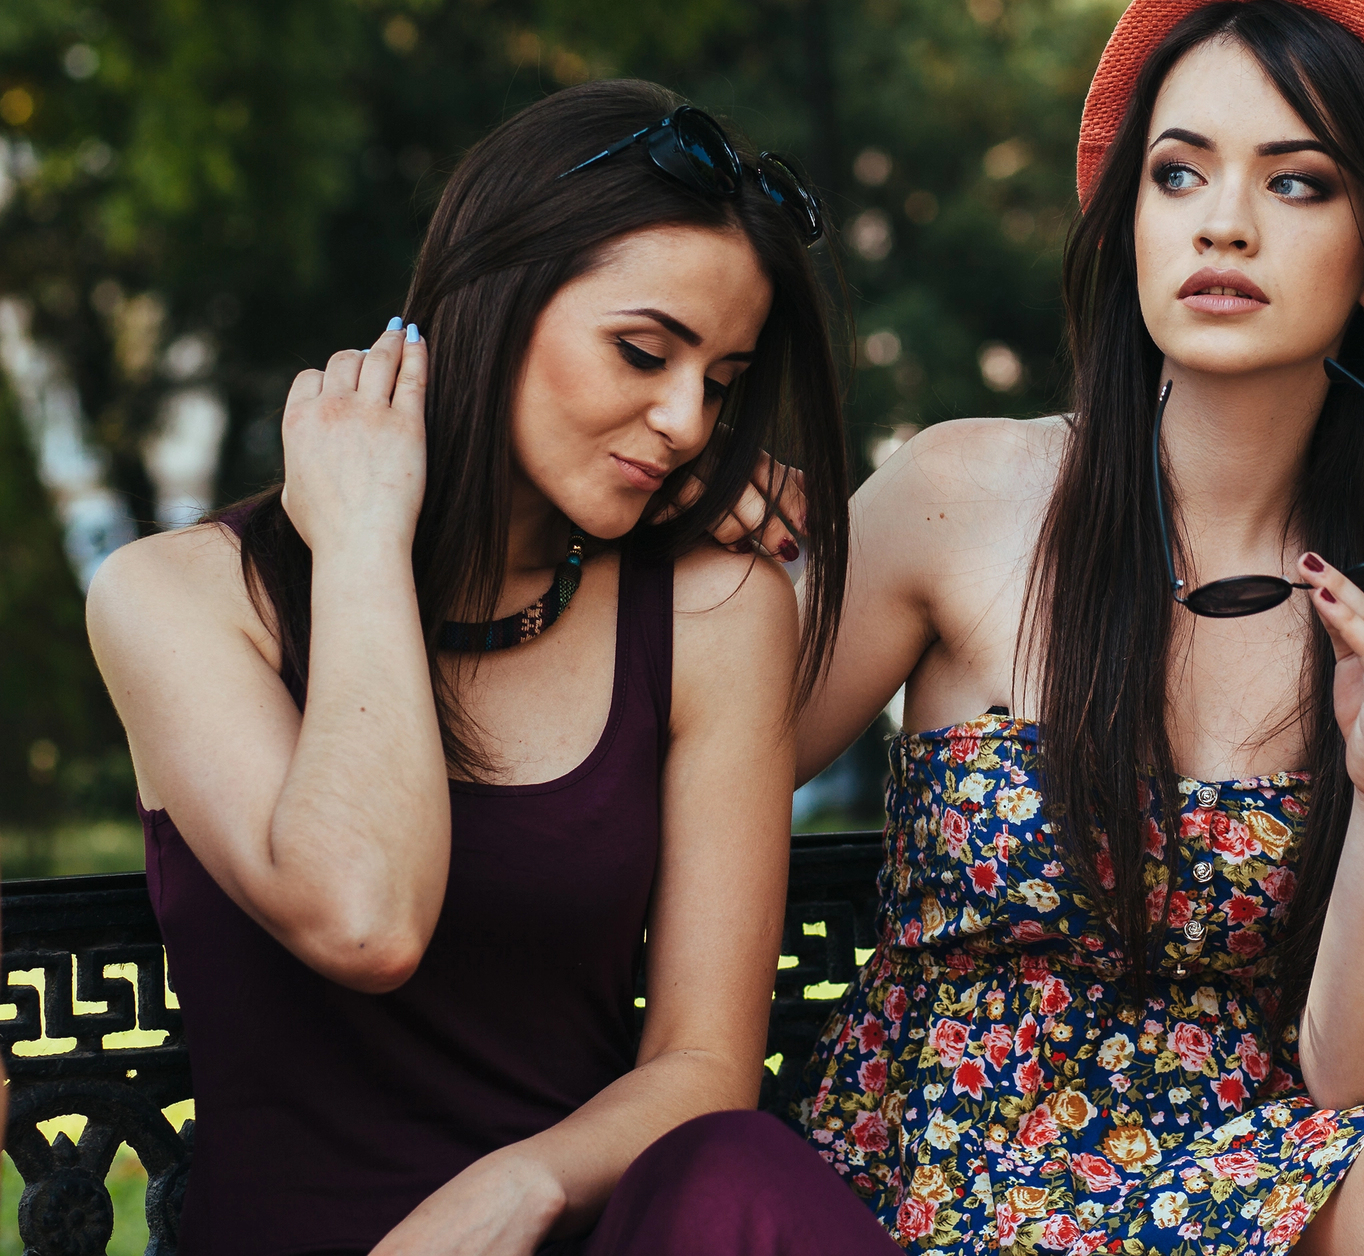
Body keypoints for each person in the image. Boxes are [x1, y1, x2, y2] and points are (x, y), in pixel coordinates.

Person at [773, 0, 1364, 1254]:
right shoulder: (959, 493)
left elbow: (1356, 1085)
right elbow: (701, 762)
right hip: (951, 1185)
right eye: (1179, 173)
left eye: (1296, 181)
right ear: (1130, 228)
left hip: (1244, 1181)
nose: (1224, 223)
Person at [85, 80, 898, 1255]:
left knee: (739, 1164)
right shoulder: (184, 598)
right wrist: (363, 538)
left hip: (583, 1229)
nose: (682, 419)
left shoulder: (714, 612)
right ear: (492, 298)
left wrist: (513, 1188)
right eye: (642, 351)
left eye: (719, 384)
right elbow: (364, 920)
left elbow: (702, 1063)